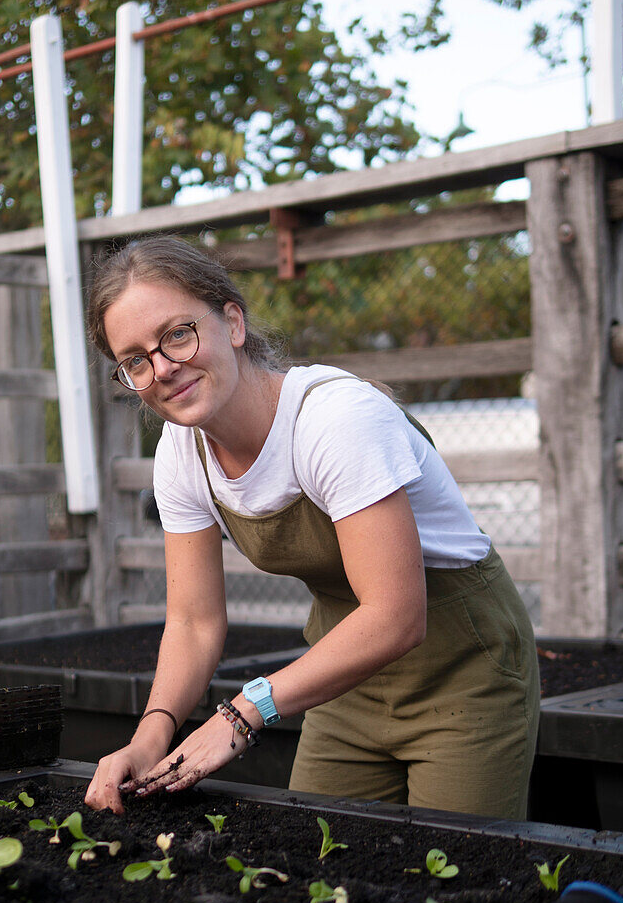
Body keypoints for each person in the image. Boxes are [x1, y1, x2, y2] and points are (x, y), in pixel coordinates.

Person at [84, 235, 540, 819]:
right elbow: (194, 622)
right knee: (319, 866)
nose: (164, 368)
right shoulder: (181, 452)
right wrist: (150, 737)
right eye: (136, 360)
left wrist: (245, 713)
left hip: (463, 672)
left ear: (232, 322)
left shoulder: (334, 420)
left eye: (178, 334)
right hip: (344, 679)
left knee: (457, 881)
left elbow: (398, 614)